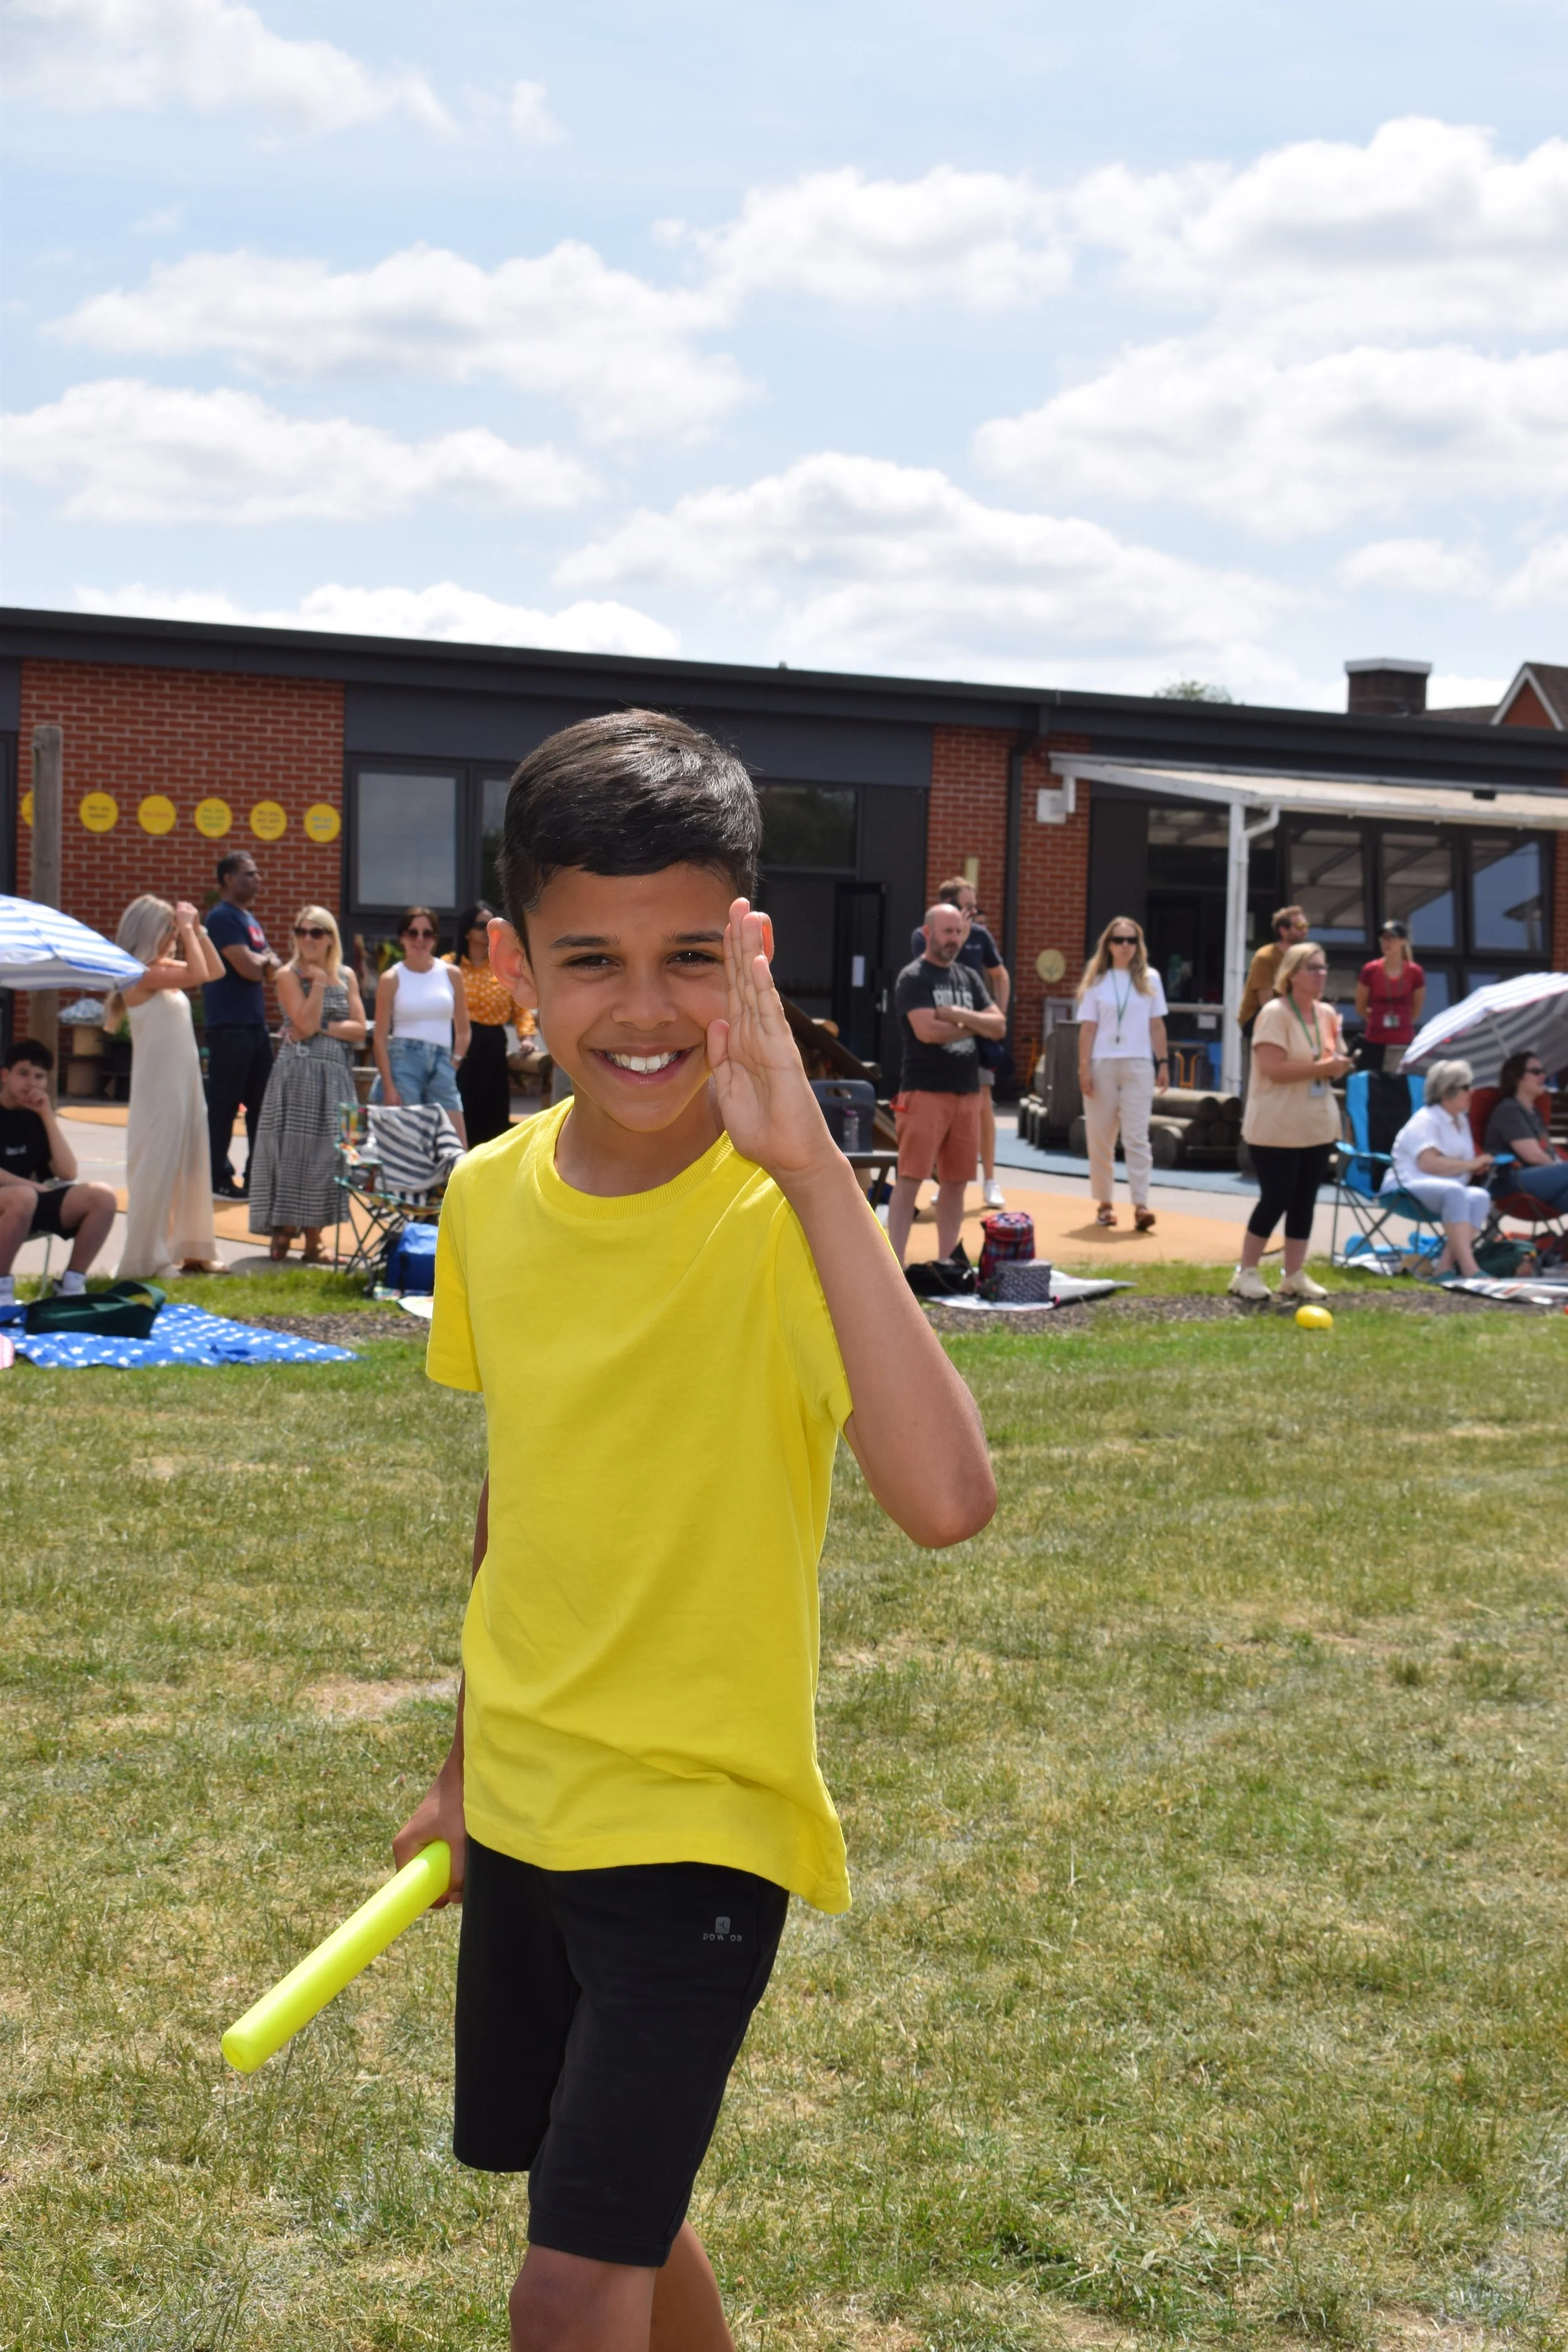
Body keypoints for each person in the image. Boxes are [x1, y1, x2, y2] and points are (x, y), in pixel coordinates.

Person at [391, 710, 996, 2352]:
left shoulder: (782, 1212)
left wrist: (809, 1174)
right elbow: (517, 1494)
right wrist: (462, 1769)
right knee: (619, 2222)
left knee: (564, 2285)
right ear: (515, 963)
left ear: (748, 951)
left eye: (684, 958)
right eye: (590, 958)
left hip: (693, 1834)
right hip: (526, 1801)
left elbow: (945, 1501)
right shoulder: (487, 1198)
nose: (641, 1009)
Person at [110, 895, 225, 1278]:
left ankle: (193, 1249)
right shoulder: (139, 974)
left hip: (185, 1083)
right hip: (158, 1090)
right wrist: (190, 929)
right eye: (170, 930)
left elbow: (214, 971)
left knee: (191, 1163)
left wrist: (199, 930)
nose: (175, 936)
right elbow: (197, 973)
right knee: (156, 1169)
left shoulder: (161, 968)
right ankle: (146, 1257)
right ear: (150, 932)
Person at [1229, 941, 1351, 1303]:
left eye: (1323, 967)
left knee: (1305, 1200)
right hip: (1276, 1126)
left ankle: (1293, 1274)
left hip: (1315, 1123)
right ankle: (1246, 1271)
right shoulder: (1274, 1013)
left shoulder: (1328, 1015)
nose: (1320, 974)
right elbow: (1272, 1068)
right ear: (1293, 974)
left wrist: (1338, 1065)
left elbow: (1332, 1060)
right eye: (1312, 968)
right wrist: (1322, 1068)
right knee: (1276, 1197)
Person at [246, 905, 368, 1263]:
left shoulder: (347, 975)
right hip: (297, 1074)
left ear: (331, 938)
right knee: (292, 1151)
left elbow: (360, 1029)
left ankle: (314, 1240)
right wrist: (317, 984)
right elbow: (301, 1023)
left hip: (336, 1074)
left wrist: (322, 1026)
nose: (309, 939)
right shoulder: (287, 975)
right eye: (302, 932)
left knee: (331, 1155)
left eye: (317, 932)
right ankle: (283, 1231)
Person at [887, 903, 1006, 1266]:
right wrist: (976, 1024)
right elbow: (927, 1031)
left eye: (959, 932)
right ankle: (895, 1266)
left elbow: (999, 1026)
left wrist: (956, 1016)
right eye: (947, 932)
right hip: (924, 1091)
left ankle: (948, 1263)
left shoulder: (969, 978)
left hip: (967, 1093)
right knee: (910, 1179)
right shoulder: (913, 977)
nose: (954, 939)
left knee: (956, 1184)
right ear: (928, 934)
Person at [911, 877, 1011, 1208]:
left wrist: (996, 1015)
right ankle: (946, 1180)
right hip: (942, 1040)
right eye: (969, 905)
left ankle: (991, 1180)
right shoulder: (926, 936)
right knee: (942, 1109)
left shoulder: (981, 936)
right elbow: (932, 966)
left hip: (976, 1039)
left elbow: (1001, 975)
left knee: (983, 1103)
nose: (975, 913)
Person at [0, 1040, 118, 1307]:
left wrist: (47, 1116)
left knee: (102, 1197)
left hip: (24, 1204)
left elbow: (67, 1171)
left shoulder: (35, 1116)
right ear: (5, 1075)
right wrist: (35, 1189)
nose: (31, 1083)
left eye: (39, 1076)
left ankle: (71, 1286)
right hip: (17, 1200)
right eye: (23, 1073)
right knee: (23, 1197)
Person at [1075, 915, 1170, 1231]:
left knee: (1137, 1136)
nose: (1125, 946)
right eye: (1119, 940)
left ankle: (1141, 1205)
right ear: (1108, 944)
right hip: (1102, 1063)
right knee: (1100, 1137)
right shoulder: (1097, 980)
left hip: (1139, 1063)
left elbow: (1157, 1024)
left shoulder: (1150, 978)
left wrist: (1164, 1062)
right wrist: (1083, 1068)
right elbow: (1088, 1029)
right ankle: (1104, 1204)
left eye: (1131, 940)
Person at [203, 850, 281, 1200]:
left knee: (262, 1108)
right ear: (228, 880)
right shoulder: (222, 918)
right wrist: (263, 962)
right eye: (249, 873)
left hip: (255, 1028)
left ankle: (256, 1177)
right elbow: (251, 969)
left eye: (258, 872)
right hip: (230, 1028)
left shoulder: (249, 919)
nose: (258, 879)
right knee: (224, 1106)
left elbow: (271, 966)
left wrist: (262, 961)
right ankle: (216, 1177)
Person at [371, 908, 470, 1149]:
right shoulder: (391, 978)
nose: (420, 939)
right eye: (412, 932)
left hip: (443, 1061)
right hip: (404, 1060)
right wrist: (388, 1086)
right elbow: (380, 1038)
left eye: (428, 933)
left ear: (435, 939)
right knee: (408, 1146)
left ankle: (453, 1188)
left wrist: (454, 1062)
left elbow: (464, 1029)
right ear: (402, 937)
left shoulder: (451, 973)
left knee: (457, 1145)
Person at [1387, 1060, 1495, 1279]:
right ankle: (1469, 1268)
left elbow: (1460, 1163)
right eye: (1466, 1087)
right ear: (1448, 1091)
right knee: (1455, 1192)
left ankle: (1445, 1267)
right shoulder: (1426, 1120)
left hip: (1448, 1190)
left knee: (1480, 1196)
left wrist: (1475, 1168)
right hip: (1406, 1187)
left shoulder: (1461, 1121)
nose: (1471, 1092)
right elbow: (1428, 1163)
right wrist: (1469, 1165)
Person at [446, 901, 519, 1148]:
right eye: (480, 926)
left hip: (493, 1042)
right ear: (467, 931)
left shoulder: (503, 967)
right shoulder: (447, 965)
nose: (486, 931)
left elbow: (519, 1005)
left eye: (491, 925)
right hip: (456, 1041)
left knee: (493, 1107)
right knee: (459, 1105)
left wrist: (527, 1036)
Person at [1483, 1050, 1568, 1216]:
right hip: (1510, 1179)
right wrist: (1560, 1170)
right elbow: (1533, 1155)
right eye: (1536, 1072)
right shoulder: (1509, 1110)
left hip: (1536, 1179)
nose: (1543, 1076)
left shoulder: (1534, 1111)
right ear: (1518, 1078)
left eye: (1543, 1072)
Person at [1354, 919, 1426, 1071]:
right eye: (1383, 938)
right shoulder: (1370, 970)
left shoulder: (1415, 972)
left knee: (1399, 1088)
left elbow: (1416, 1011)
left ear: (1403, 941)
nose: (1386, 943)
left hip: (1403, 1040)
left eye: (1391, 938)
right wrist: (1376, 1020)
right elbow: (1360, 1007)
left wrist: (1401, 1022)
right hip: (1375, 1040)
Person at [1237, 904, 1310, 1039]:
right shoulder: (1266, 957)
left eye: (1306, 925)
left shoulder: (1304, 958)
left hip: (1290, 1017)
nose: (1305, 930)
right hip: (1259, 1019)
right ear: (1283, 931)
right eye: (1300, 925)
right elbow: (1266, 1003)